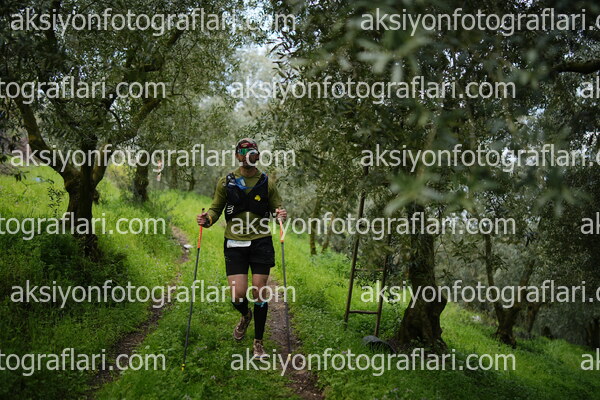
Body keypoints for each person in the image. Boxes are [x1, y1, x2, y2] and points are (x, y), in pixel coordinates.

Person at [197, 138, 287, 358]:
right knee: (238, 295)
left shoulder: (267, 182)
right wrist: (207, 219)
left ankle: (258, 343)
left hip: (261, 241)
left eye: (252, 152)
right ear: (237, 155)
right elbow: (215, 210)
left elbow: (277, 210)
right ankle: (246, 315)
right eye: (243, 152)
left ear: (257, 156)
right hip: (234, 243)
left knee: (259, 291)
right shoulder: (225, 182)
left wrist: (280, 215)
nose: (247, 156)